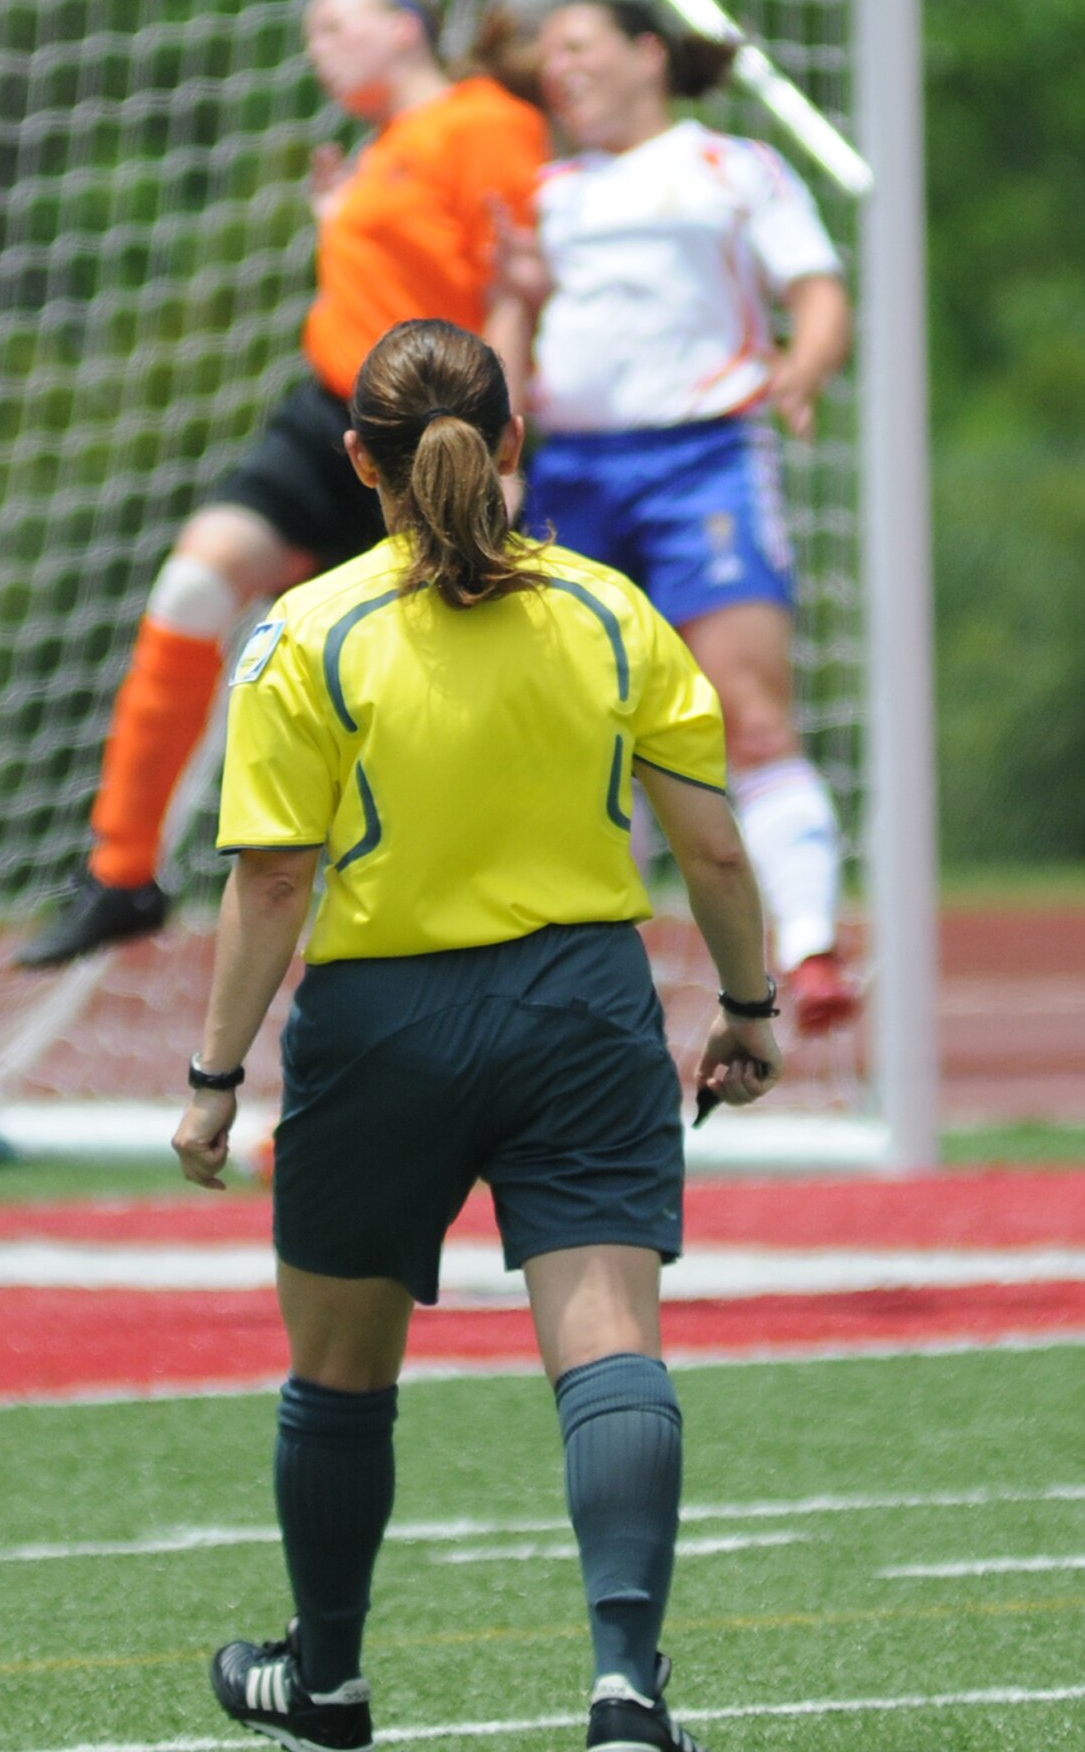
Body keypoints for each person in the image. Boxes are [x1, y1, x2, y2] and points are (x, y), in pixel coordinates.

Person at [172, 317, 784, 1752]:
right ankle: (625, 1691)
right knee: (607, 1349)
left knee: (339, 1371)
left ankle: (324, 1680)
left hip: (379, 1025)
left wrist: (211, 1082)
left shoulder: (304, 635)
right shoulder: (609, 611)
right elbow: (713, 850)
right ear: (514, 442)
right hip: (581, 1007)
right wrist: (746, 1008)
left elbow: (272, 883)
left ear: (355, 463)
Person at [18, 0, 548, 967]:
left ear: (404, 27)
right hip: (328, 413)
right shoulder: (375, 155)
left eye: (334, 24)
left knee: (390, 732)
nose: (319, 47)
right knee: (193, 579)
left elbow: (510, 282)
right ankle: (122, 869)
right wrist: (335, 226)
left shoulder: (484, 122)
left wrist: (494, 443)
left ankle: (366, 1041)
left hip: (435, 429)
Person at [490, 0, 859, 1039]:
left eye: (578, 44)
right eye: (544, 54)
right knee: (573, 735)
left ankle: (809, 946)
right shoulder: (543, 192)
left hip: (702, 456)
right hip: (574, 470)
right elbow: (511, 328)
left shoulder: (731, 164)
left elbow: (816, 289)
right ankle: (577, 966)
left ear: (646, 50)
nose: (559, 67)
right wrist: (499, 452)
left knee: (746, 706)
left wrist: (808, 362)